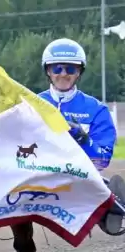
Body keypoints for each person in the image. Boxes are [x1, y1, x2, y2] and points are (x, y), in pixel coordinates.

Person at [39, 37, 125, 235]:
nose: (63, 74)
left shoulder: (96, 109)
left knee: (98, 184)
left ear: (79, 72)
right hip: (36, 175)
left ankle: (108, 209)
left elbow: (102, 160)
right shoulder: (31, 104)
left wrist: (83, 138)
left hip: (78, 176)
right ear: (48, 71)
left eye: (70, 69)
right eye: (57, 68)